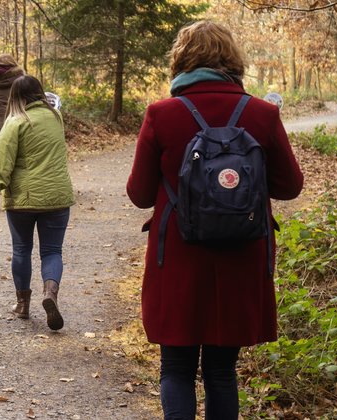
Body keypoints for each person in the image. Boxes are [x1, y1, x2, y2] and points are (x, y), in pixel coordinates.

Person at [126, 21, 303, 418]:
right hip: (242, 257)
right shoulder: (262, 113)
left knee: (176, 368)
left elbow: (139, 195)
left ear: (182, 60)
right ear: (232, 59)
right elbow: (290, 186)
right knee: (222, 371)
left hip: (178, 259)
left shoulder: (161, 115)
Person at [0, 75, 74, 331]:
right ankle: (50, 292)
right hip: (57, 197)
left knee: (22, 249)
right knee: (52, 251)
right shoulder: (56, 118)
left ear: (15, 97)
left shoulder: (15, 122)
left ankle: (23, 305)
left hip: (24, 201)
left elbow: (0, 167)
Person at [0, 54, 25, 211]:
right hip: (15, 117)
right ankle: (15, 195)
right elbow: (25, 100)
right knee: (16, 157)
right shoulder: (21, 78)